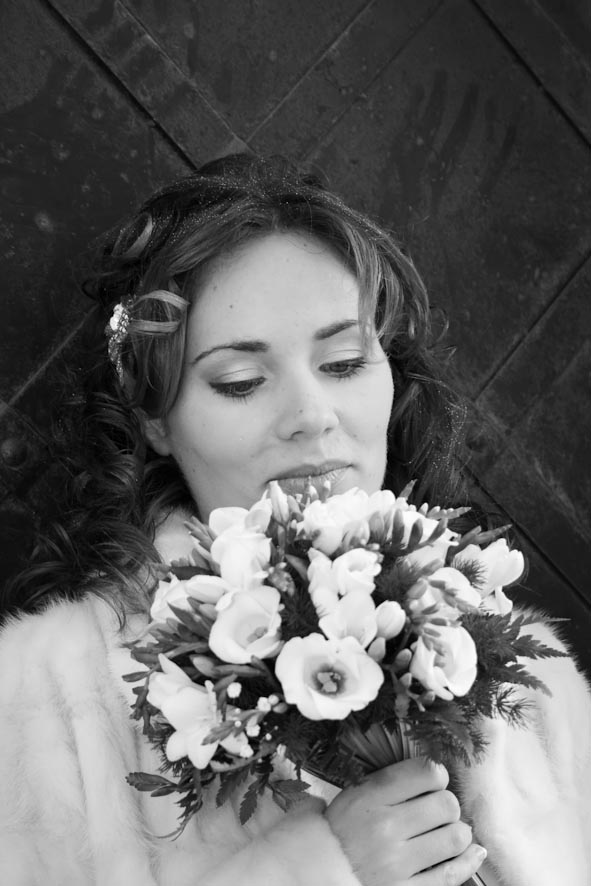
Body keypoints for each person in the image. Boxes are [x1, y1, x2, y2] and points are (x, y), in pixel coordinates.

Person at [0, 153, 589, 886]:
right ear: (154, 417)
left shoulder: (537, 683)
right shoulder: (41, 702)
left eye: (343, 364)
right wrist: (322, 869)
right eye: (240, 381)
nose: (311, 415)